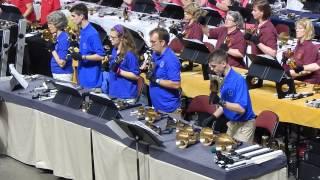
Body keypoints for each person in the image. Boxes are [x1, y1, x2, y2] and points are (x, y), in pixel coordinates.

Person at [207, 49, 256, 142]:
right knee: (225, 151)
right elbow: (224, 105)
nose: (212, 69)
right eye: (210, 67)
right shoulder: (218, 79)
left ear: (223, 63)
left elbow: (241, 109)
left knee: (238, 154)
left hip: (244, 126)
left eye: (213, 66)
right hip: (232, 124)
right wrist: (213, 117)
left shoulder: (238, 80)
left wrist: (220, 101)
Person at [69, 3, 105, 88]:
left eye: (73, 16)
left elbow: (101, 56)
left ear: (81, 16)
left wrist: (82, 57)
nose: (71, 19)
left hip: (91, 79)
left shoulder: (92, 34)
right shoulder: (82, 30)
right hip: (82, 75)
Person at [148, 27, 181, 113]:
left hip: (168, 109)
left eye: (153, 42)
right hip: (157, 105)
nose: (151, 45)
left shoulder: (171, 59)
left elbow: (176, 84)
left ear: (162, 42)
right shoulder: (156, 54)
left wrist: (156, 80)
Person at [104, 24, 140, 99]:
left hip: (125, 95)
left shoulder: (130, 54)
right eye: (109, 36)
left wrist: (119, 71)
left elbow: (136, 76)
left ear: (121, 38)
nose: (110, 39)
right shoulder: (114, 50)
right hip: (113, 92)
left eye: (113, 37)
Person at [169, 3, 206, 70]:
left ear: (193, 14)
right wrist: (176, 33)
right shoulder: (187, 24)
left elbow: (195, 45)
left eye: (187, 13)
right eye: (185, 12)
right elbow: (183, 39)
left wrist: (178, 36)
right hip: (182, 52)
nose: (184, 14)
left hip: (188, 54)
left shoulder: (197, 27)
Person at [283, 18, 320, 84]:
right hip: (298, 79)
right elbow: (296, 65)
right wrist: (287, 60)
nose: (297, 30)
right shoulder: (299, 44)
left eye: (300, 28)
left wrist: (287, 74)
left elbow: (307, 71)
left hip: (308, 82)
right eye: (296, 28)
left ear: (307, 31)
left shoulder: (309, 47)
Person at [47, 11, 72, 81]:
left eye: (51, 24)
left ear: (58, 24)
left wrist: (52, 49)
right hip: (57, 73)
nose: (49, 26)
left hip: (63, 75)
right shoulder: (58, 37)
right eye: (48, 23)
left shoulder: (64, 38)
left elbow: (62, 63)